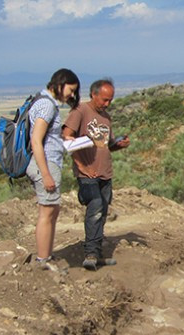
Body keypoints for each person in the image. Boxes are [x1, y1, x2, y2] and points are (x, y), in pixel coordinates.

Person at [62, 78, 130, 271]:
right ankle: (90, 253)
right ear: (94, 94)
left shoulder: (106, 117)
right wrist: (81, 167)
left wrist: (119, 145)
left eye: (110, 100)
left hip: (104, 173)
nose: (107, 104)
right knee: (96, 208)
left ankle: (97, 253)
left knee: (102, 212)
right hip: (88, 173)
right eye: (105, 99)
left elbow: (105, 146)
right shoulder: (80, 111)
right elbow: (67, 139)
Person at [26, 68, 80, 269]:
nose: (72, 95)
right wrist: (46, 174)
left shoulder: (43, 101)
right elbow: (37, 142)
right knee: (47, 213)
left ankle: (46, 255)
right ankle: (43, 260)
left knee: (51, 211)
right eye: (71, 90)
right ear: (60, 83)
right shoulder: (47, 106)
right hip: (46, 164)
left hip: (48, 163)